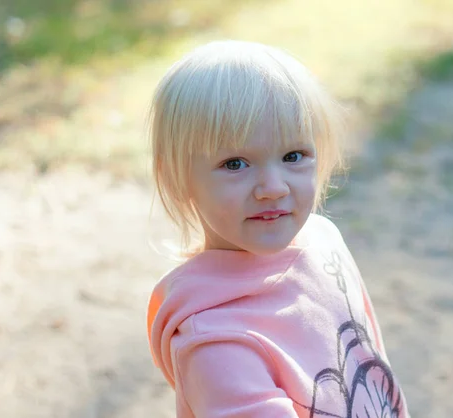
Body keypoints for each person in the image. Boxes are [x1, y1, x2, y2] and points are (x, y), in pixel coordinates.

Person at [146, 40, 409, 417]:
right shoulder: (216, 342)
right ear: (176, 175)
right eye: (235, 163)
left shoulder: (322, 240)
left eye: (293, 156)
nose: (273, 187)